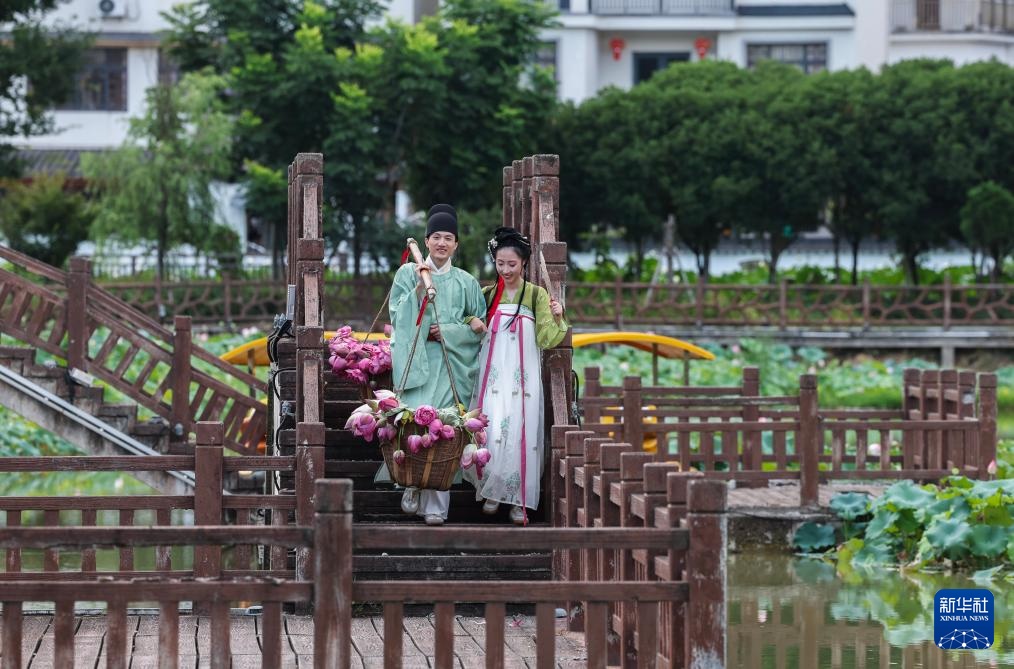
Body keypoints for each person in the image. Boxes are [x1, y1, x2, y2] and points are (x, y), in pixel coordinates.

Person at [388, 205, 487, 525]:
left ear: (456, 244)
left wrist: (448, 332)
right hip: (416, 362)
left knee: (442, 428)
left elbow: (478, 325)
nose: (442, 243)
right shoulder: (408, 273)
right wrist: (419, 287)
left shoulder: (467, 282)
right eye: (436, 237)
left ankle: (436, 507)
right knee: (413, 424)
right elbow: (396, 316)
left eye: (449, 238)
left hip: (450, 366)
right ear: (427, 242)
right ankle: (411, 484)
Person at [463, 227, 567, 525]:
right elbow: (466, 317)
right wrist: (471, 319)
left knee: (522, 431)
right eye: (500, 263)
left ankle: (519, 500)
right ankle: (492, 490)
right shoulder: (488, 294)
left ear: (524, 264)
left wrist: (558, 315)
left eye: (512, 264)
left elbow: (547, 338)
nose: (505, 270)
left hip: (523, 378)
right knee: (492, 428)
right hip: (493, 375)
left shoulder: (536, 295)